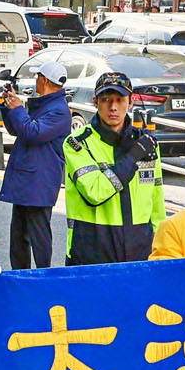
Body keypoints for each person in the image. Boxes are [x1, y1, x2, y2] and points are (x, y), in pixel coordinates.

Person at [62, 70, 164, 265]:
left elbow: (156, 200)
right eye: (106, 100)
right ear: (95, 102)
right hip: (91, 250)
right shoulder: (77, 143)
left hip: (140, 250)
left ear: (131, 102)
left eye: (120, 100)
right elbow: (95, 192)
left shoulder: (146, 144)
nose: (113, 107)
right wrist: (133, 157)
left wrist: (162, 248)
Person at [0, 58, 70, 269]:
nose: (35, 80)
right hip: (28, 178)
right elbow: (18, 129)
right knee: (18, 234)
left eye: (38, 76)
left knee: (39, 234)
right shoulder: (45, 104)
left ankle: (43, 274)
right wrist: (10, 106)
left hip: (40, 181)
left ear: (45, 80)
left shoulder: (59, 110)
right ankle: (20, 273)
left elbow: (32, 133)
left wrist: (18, 109)